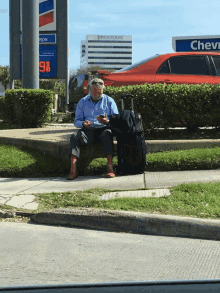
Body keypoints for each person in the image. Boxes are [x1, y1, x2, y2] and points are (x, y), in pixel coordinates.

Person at [67, 78, 119, 180]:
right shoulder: (83, 101)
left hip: (103, 130)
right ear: (90, 89)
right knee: (74, 136)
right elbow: (76, 121)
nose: (97, 94)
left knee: (107, 133)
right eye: (94, 91)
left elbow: (116, 120)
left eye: (99, 92)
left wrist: (107, 121)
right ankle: (73, 169)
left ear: (103, 89)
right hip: (88, 131)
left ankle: (110, 168)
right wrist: (83, 123)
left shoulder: (109, 101)